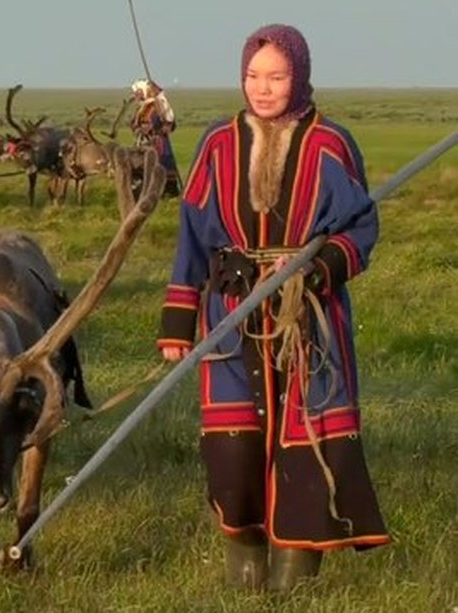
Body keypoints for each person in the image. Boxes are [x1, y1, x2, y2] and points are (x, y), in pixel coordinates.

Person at [156, 24, 389, 592]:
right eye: (253, 76)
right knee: (233, 447)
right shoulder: (217, 143)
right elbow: (191, 238)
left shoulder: (330, 143)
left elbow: (359, 230)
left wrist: (317, 267)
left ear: (299, 77)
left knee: (306, 443)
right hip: (231, 319)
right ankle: (246, 572)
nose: (263, 88)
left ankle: (296, 578)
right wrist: (179, 322)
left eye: (277, 77)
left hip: (308, 317)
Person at [129, 78, 182, 197]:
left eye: (138, 92)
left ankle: (167, 192)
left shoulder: (157, 105)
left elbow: (168, 123)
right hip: (143, 142)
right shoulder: (142, 107)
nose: (135, 96)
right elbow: (134, 123)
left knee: (162, 163)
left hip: (158, 142)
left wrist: (152, 127)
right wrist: (138, 128)